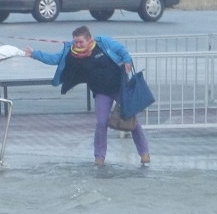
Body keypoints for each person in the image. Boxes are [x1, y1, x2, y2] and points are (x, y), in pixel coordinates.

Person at [24, 25, 150, 166]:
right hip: (101, 92)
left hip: (120, 88)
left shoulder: (103, 42)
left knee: (132, 121)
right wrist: (34, 54)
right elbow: (54, 59)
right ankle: (99, 158)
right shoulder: (70, 51)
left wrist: (127, 60)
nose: (77, 45)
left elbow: (121, 50)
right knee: (101, 123)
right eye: (75, 42)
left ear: (89, 39)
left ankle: (144, 154)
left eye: (80, 42)